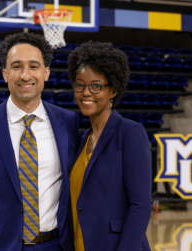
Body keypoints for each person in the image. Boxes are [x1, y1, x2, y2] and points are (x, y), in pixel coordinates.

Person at [0, 32, 78, 251]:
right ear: (5, 74)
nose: (25, 75)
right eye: (16, 66)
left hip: (55, 245)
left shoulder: (68, 122)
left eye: (33, 66)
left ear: (46, 72)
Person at [68, 41, 152, 251]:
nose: (86, 92)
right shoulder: (81, 139)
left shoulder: (130, 132)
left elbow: (140, 205)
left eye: (96, 86)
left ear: (113, 90)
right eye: (79, 85)